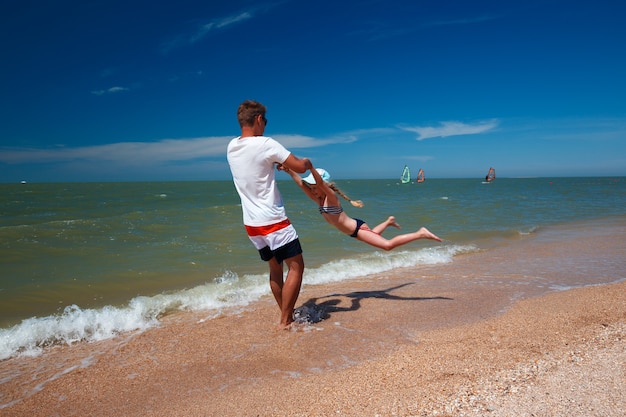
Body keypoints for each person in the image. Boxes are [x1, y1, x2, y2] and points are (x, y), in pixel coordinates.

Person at [227, 100, 312, 329]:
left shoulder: (231, 147)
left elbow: (256, 168)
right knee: (296, 266)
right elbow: (300, 166)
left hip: (252, 225)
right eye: (265, 121)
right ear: (258, 119)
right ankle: (285, 320)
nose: (265, 126)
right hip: (273, 221)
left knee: (275, 268)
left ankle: (287, 315)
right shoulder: (266, 144)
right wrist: (306, 163)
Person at [281, 165, 442, 250]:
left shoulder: (331, 198)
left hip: (357, 229)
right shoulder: (319, 200)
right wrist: (289, 171)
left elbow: (322, 184)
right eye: (312, 186)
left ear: (324, 185)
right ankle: (389, 221)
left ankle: (420, 233)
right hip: (355, 229)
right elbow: (301, 184)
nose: (313, 189)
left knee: (387, 245)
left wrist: (311, 168)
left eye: (315, 185)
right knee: (374, 235)